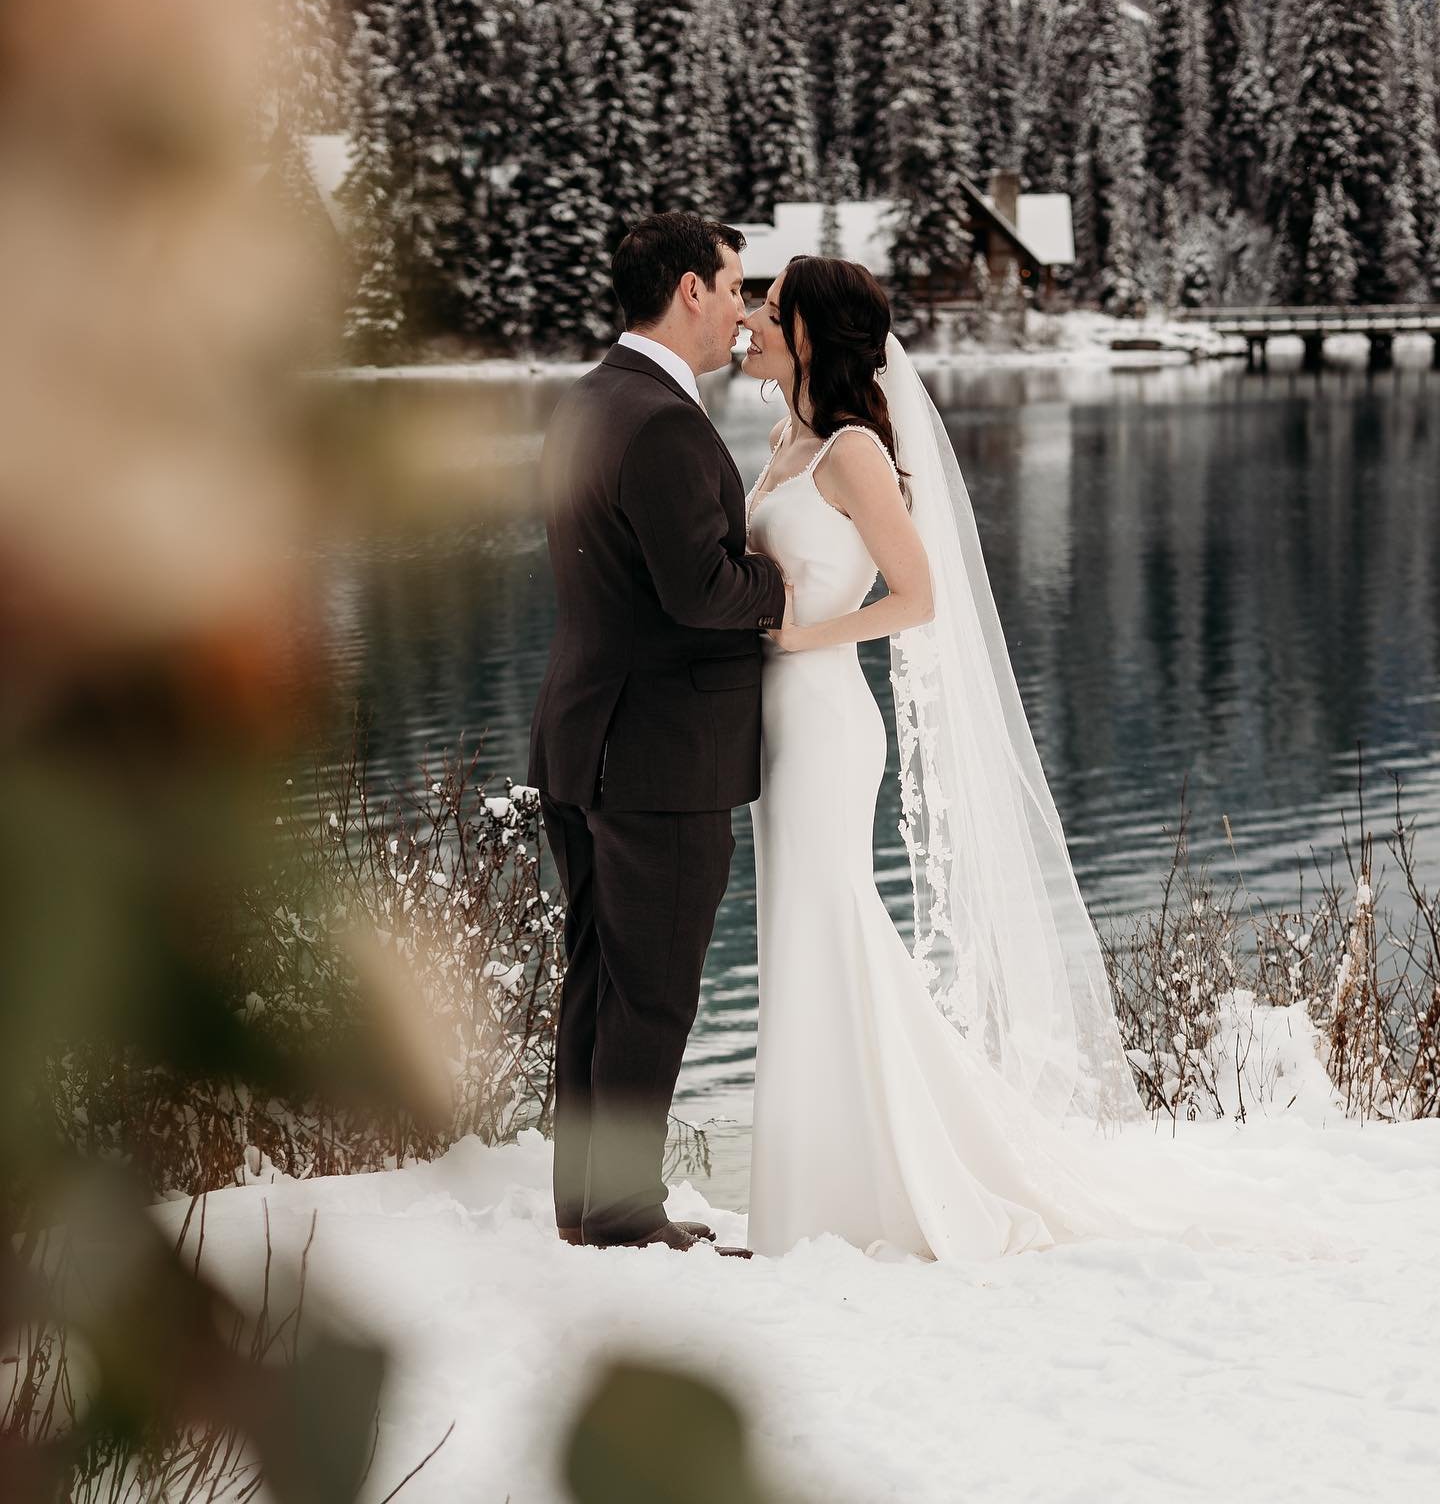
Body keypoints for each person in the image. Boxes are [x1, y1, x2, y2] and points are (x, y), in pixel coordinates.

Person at [740, 256, 1323, 1260]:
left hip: (826, 720)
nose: (753, 315)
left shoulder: (851, 453)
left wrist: (802, 639)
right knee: (802, 932)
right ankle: (815, 1184)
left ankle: (878, 1182)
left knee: (831, 924)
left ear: (808, 334)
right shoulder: (785, 438)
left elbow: (917, 597)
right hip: (776, 722)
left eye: (772, 306)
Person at [529, 212, 785, 1254]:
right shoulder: (666, 422)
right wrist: (779, 580)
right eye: (733, 288)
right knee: (653, 992)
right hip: (658, 757)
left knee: (600, 973)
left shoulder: (589, 399)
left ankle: (587, 1206)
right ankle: (625, 1217)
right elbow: (702, 592)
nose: (742, 309)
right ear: (690, 290)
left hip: (585, 731)